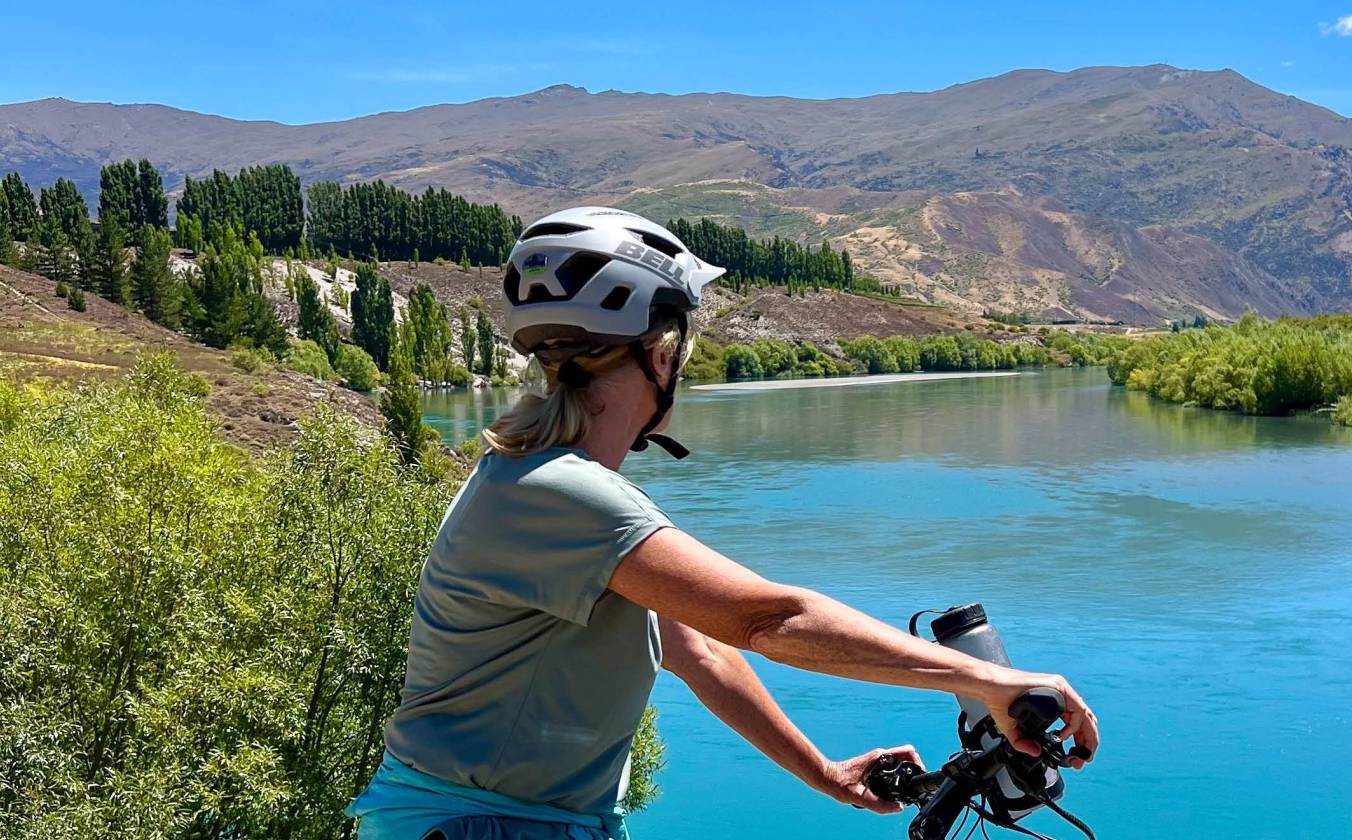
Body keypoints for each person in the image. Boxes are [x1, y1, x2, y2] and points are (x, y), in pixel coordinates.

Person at [347, 207, 1098, 840]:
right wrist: (988, 679)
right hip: (480, 827)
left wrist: (826, 774)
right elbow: (766, 619)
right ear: (660, 352)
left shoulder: (541, 484)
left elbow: (701, 651)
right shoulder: (558, 495)